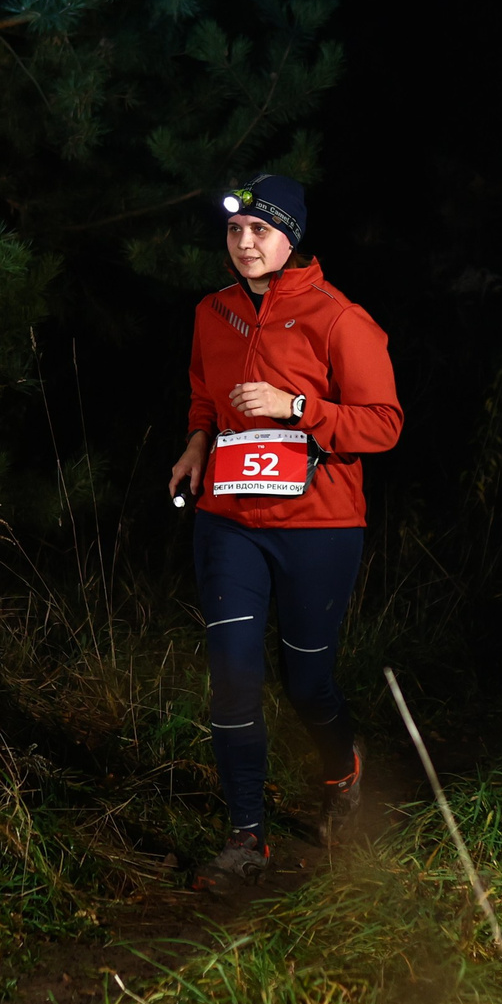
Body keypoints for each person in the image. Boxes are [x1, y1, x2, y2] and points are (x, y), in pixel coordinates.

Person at [169, 173, 402, 884]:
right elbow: (204, 394)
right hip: (229, 520)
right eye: (235, 230)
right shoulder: (212, 311)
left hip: (318, 524)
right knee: (233, 678)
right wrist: (197, 442)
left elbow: (383, 425)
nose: (244, 243)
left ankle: (343, 771)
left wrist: (295, 406)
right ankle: (246, 837)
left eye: (260, 231)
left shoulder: (339, 318)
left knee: (307, 685)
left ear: (290, 238)